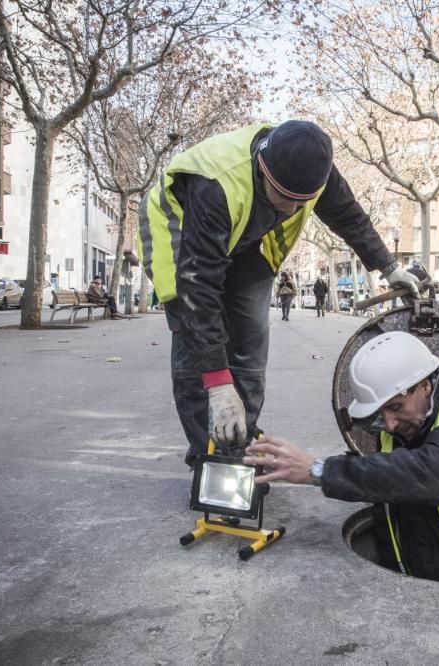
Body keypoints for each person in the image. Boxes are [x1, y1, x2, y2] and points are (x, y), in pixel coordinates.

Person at [137, 120, 423, 466]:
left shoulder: (317, 169)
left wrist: (390, 268)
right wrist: (217, 383)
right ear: (262, 169)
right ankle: (208, 453)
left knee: (250, 345)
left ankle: (238, 438)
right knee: (194, 344)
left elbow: (349, 217)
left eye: (301, 203)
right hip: (183, 234)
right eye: (285, 198)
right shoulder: (215, 183)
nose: (290, 210)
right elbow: (200, 288)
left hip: (248, 245)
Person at [243, 331, 439, 596]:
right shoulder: (402, 430)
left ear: (425, 385)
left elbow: (432, 473)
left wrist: (318, 471)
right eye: (381, 413)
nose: (390, 424)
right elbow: (392, 479)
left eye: (396, 407)